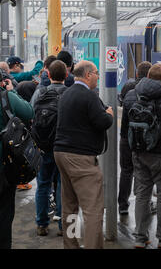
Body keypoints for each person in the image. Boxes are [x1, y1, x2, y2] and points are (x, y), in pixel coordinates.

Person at [54, 60, 113, 249]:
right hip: (81, 159)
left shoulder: (66, 94)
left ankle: (71, 245)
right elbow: (102, 122)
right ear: (88, 75)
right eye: (96, 72)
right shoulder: (89, 96)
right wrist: (110, 114)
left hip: (61, 154)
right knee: (93, 210)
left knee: (69, 207)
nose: (97, 76)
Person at [125, 63, 161, 249]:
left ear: (147, 75)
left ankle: (140, 237)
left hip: (138, 153)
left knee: (142, 195)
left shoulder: (132, 94)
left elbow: (125, 130)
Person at [31, 60, 68, 237]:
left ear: (49, 75)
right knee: (62, 185)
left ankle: (41, 224)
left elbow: (30, 115)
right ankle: (62, 225)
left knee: (43, 185)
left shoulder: (40, 93)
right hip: (63, 147)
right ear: (66, 75)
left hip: (43, 146)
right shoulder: (69, 94)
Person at [0, 74, 34, 249]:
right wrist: (11, 91)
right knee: (4, 213)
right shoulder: (6, 96)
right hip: (4, 166)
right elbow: (29, 111)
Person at [118, 61, 152, 215]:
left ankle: (122, 205)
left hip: (126, 137)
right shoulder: (153, 91)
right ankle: (143, 201)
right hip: (144, 137)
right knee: (143, 171)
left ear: (137, 74)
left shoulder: (127, 88)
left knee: (126, 171)